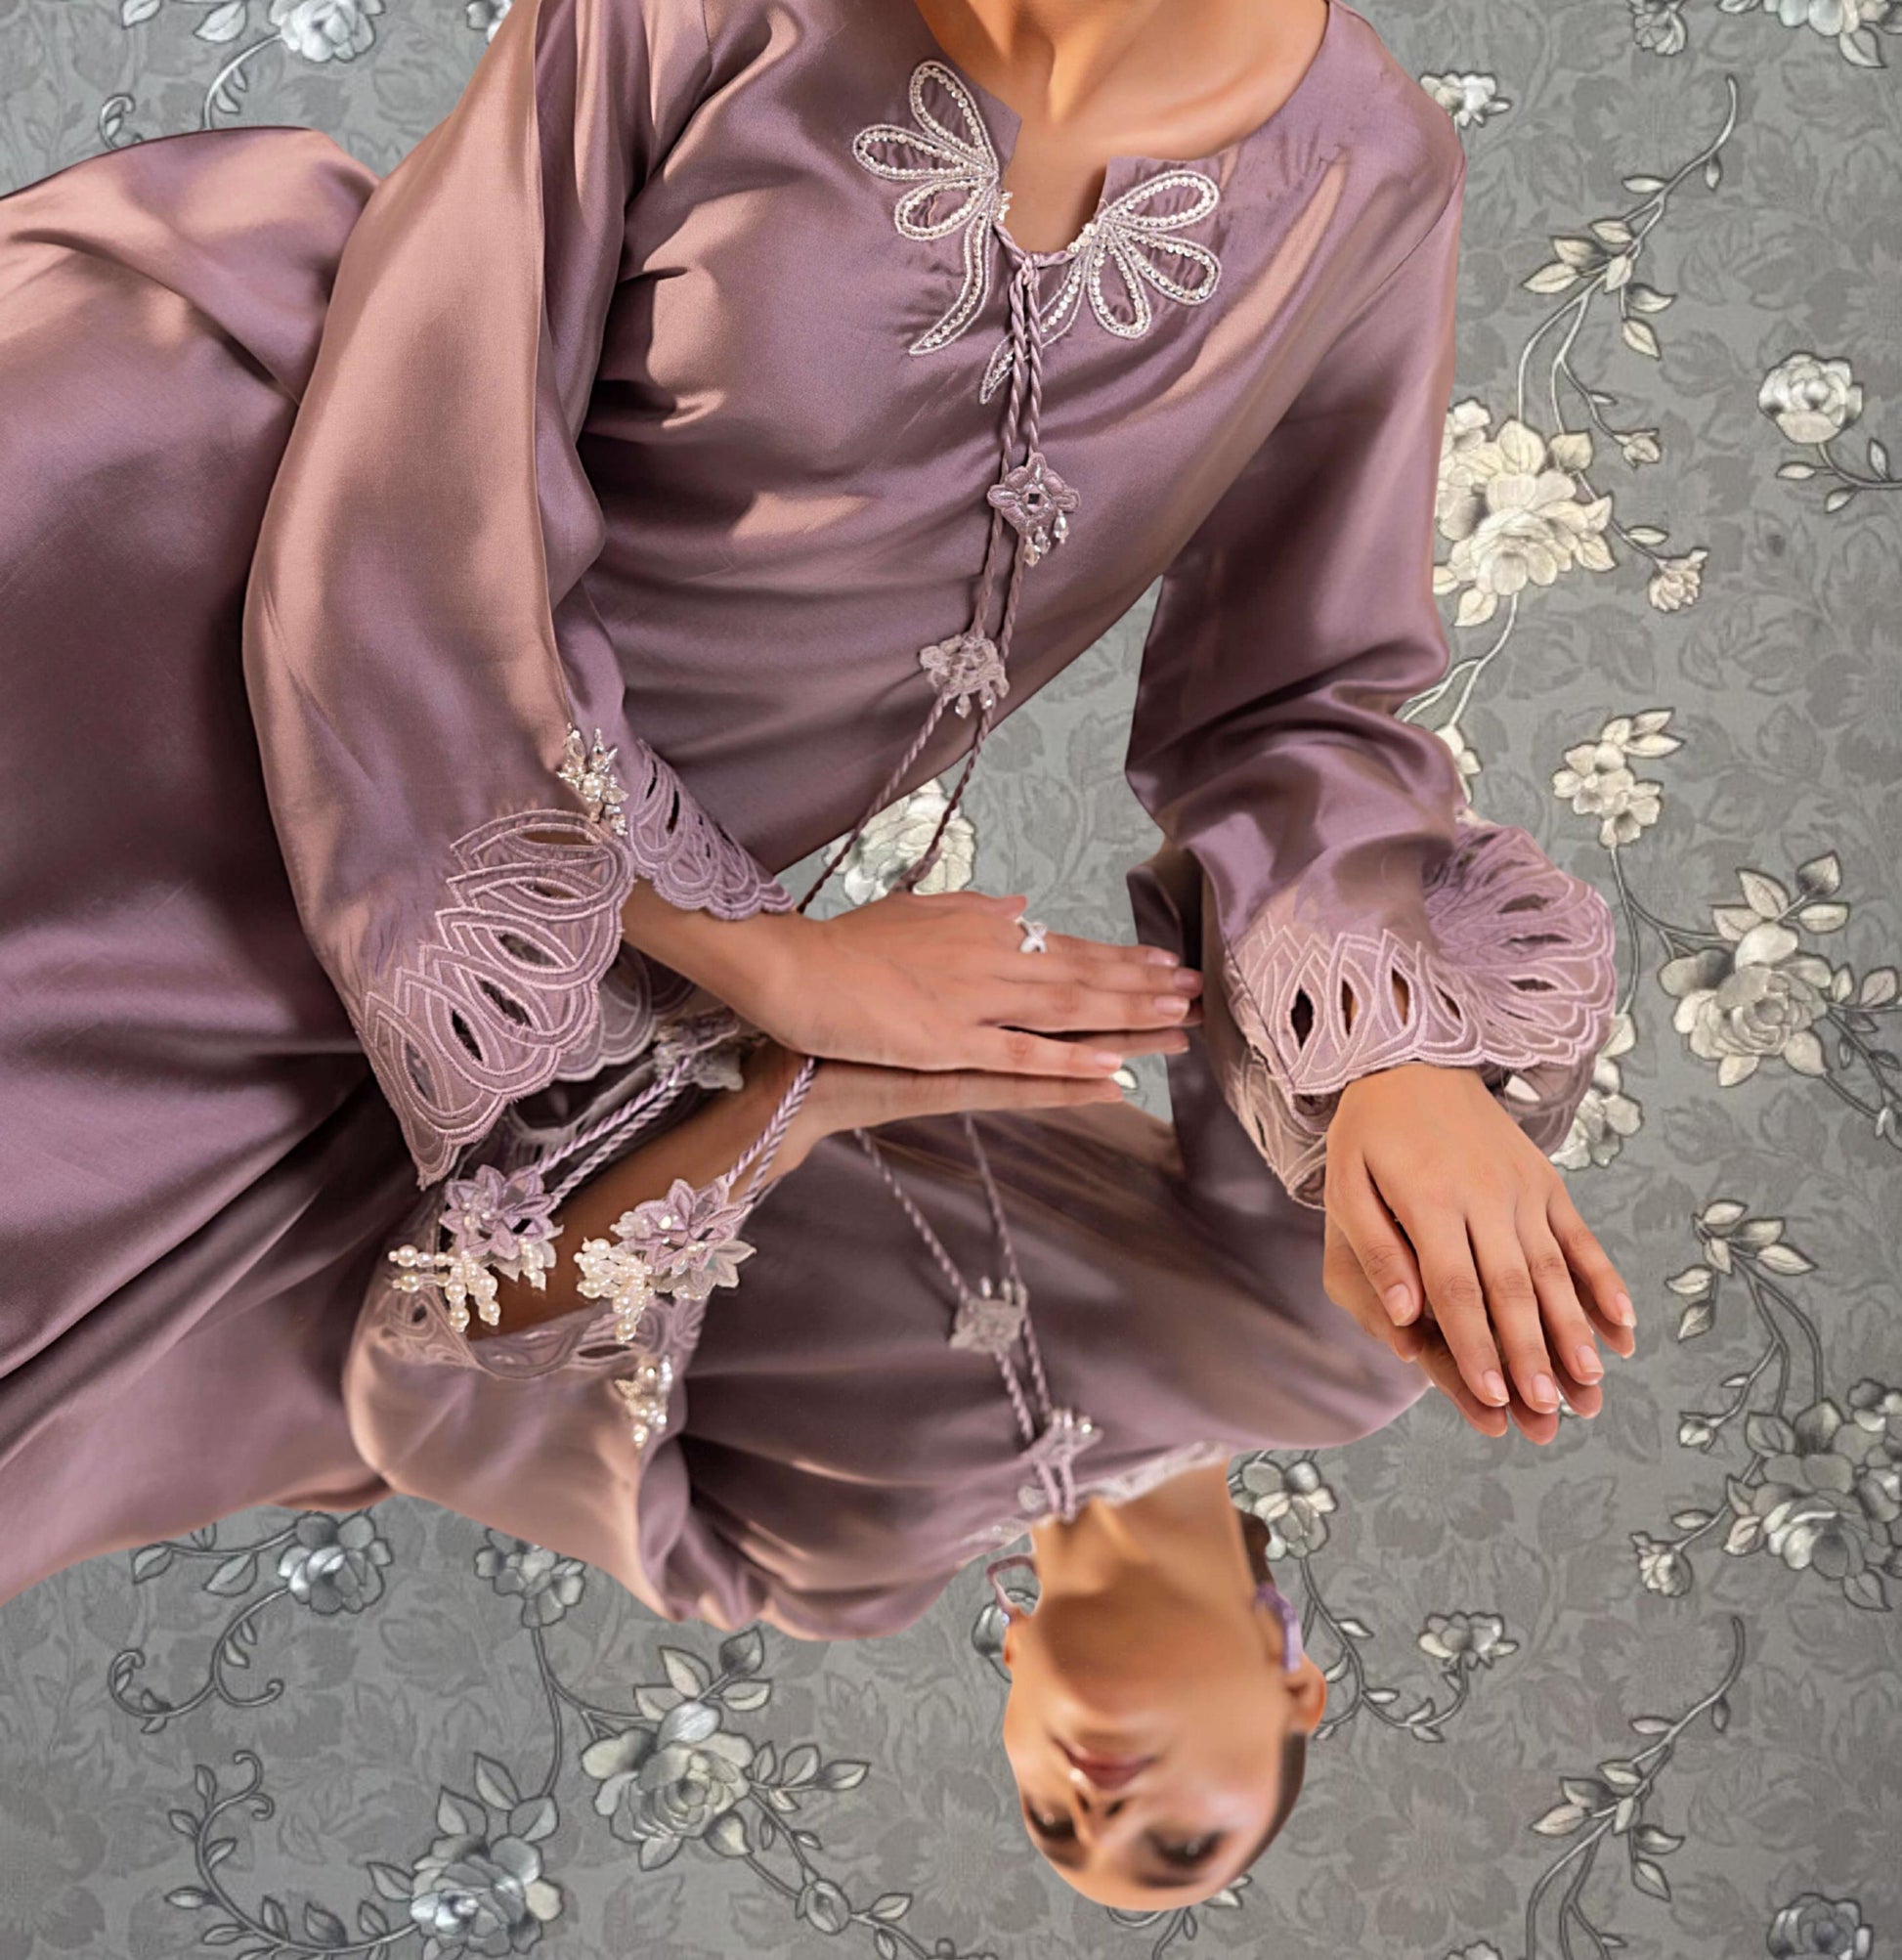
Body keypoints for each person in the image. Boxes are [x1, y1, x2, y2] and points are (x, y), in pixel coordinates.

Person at [0, 0, 1634, 1906]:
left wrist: (1393, 1054)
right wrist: (773, 976)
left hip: (469, 1026)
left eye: (1059, 1823)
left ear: (1007, 1690)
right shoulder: (691, 20)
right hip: (206, 630)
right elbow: (410, 499)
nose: (1101, 1791)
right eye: (1171, 1828)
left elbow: (1298, 702)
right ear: (1295, 1676)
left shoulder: (1363, 183)